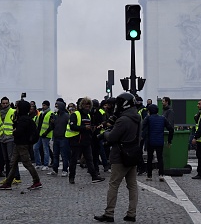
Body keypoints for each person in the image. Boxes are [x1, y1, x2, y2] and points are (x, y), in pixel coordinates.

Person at [94, 93, 141, 223]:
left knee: (113, 185)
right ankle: (132, 213)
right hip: (133, 155)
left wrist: (105, 134)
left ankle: (109, 213)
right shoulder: (137, 117)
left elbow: (113, 137)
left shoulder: (123, 120)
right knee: (132, 186)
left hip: (120, 156)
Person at [0, 99, 42, 191]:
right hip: (18, 144)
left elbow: (19, 132)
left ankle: (36, 181)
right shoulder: (24, 118)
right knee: (13, 163)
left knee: (27, 163)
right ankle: (8, 183)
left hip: (22, 144)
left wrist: (14, 131)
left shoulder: (23, 119)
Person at [67, 97, 105, 185]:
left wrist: (93, 129)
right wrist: (84, 128)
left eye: (89, 106)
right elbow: (72, 126)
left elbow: (89, 126)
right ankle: (71, 177)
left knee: (89, 159)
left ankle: (94, 176)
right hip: (76, 140)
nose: (87, 108)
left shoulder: (88, 116)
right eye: (86, 106)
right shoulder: (75, 114)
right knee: (73, 160)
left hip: (86, 141)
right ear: (82, 106)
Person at [142, 104, 173, 181]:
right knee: (160, 158)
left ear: (149, 111)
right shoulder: (162, 118)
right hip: (160, 141)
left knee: (149, 158)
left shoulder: (148, 118)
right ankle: (161, 174)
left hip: (150, 141)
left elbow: (142, 127)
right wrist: (169, 140)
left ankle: (149, 176)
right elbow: (171, 129)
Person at [0, 97, 21, 184]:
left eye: (6, 103)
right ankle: (8, 177)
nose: (5, 105)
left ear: (9, 103)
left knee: (11, 159)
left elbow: (18, 123)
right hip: (3, 138)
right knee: (6, 159)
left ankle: (16, 176)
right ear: (1, 104)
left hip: (11, 138)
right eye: (3, 103)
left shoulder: (13, 112)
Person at [49, 101, 70, 177]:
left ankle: (65, 170)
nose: (55, 108)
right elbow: (52, 127)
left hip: (63, 138)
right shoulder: (55, 116)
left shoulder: (66, 116)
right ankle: (55, 169)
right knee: (55, 155)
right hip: (56, 137)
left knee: (64, 155)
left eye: (57, 106)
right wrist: (51, 122)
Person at [33, 100, 52, 170]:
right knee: (35, 148)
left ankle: (46, 164)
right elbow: (38, 123)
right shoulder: (41, 113)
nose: (43, 107)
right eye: (42, 105)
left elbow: (51, 125)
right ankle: (38, 163)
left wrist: (46, 133)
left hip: (46, 135)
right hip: (40, 134)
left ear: (48, 106)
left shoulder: (50, 114)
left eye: (44, 105)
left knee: (45, 149)